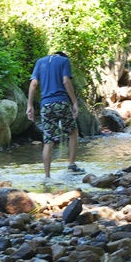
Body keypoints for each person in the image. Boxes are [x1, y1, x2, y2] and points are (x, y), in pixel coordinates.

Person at [26, 51, 83, 179]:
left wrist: (29, 105)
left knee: (48, 141)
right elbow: (66, 81)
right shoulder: (64, 61)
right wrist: (74, 102)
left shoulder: (40, 62)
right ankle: (71, 165)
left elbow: (34, 83)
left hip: (45, 105)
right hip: (61, 102)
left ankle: (47, 176)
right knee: (73, 131)